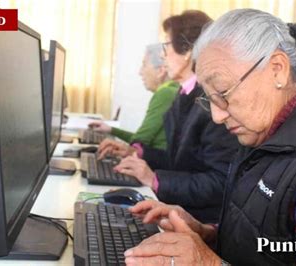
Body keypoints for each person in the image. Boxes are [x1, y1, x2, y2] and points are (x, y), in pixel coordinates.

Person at [123, 9, 296, 265]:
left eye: (224, 93)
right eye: (210, 99)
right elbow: (272, 245)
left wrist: (208, 262)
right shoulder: (268, 132)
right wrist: (207, 235)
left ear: (277, 69)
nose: (217, 116)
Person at [99, 10, 239, 223]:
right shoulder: (184, 93)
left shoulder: (212, 103)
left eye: (166, 46)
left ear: (187, 53)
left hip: (201, 222)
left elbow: (219, 183)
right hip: (179, 208)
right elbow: (179, 162)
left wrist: (154, 179)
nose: (162, 55)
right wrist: (138, 152)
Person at [89, 43, 179, 150]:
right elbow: (141, 140)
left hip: (155, 164)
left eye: (144, 65)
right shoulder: (173, 90)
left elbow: (140, 141)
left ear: (160, 71)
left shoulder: (166, 93)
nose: (140, 72)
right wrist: (111, 130)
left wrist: (120, 147)